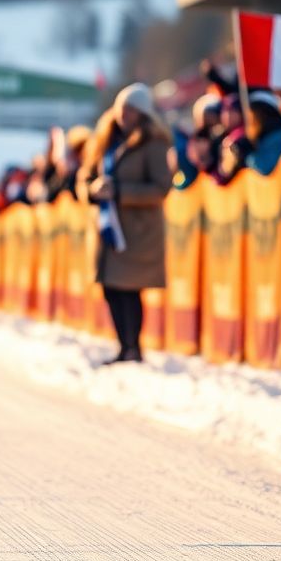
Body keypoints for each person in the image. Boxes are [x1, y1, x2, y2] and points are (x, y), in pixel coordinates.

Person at [77, 83, 172, 364]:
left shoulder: (154, 142)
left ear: (143, 113)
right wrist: (93, 191)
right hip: (107, 230)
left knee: (129, 289)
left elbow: (160, 188)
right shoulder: (105, 140)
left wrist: (120, 192)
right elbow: (84, 177)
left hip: (137, 232)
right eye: (121, 108)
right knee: (110, 288)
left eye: (131, 109)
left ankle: (133, 347)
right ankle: (123, 346)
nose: (124, 114)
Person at [244, 90, 281, 176]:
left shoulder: (277, 138)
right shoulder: (264, 138)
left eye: (253, 116)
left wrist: (249, 156)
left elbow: (264, 171)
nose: (250, 122)